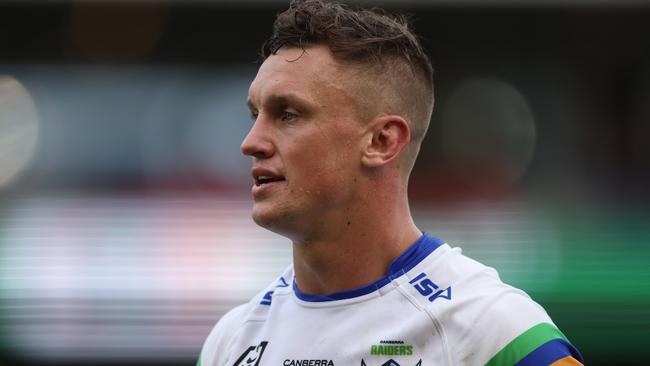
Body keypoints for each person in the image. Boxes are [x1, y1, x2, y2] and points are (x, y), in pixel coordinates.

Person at [198, 1, 584, 365]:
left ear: (382, 141)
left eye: (288, 115)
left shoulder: (494, 332)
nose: (250, 142)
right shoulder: (230, 341)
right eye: (255, 114)